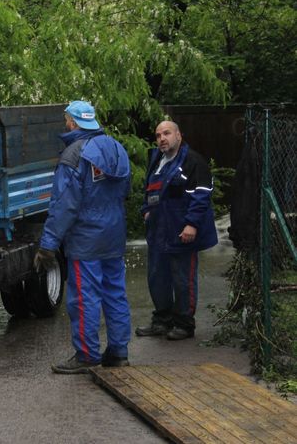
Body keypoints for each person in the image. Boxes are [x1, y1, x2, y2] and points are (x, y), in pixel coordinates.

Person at [35, 100, 132, 374]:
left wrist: (48, 245)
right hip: (114, 234)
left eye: (67, 119)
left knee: (85, 296)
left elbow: (64, 205)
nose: (65, 123)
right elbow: (126, 189)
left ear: (73, 123)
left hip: (85, 239)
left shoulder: (73, 155)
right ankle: (119, 351)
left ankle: (87, 354)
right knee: (115, 293)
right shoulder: (117, 149)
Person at [136, 120, 218, 340]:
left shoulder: (193, 161)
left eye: (167, 133)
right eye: (158, 135)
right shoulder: (157, 160)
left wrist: (191, 224)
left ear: (179, 135)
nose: (162, 138)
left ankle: (184, 324)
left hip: (181, 232)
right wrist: (146, 210)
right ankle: (162, 321)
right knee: (157, 277)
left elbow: (202, 194)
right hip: (158, 231)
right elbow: (150, 191)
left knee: (183, 280)